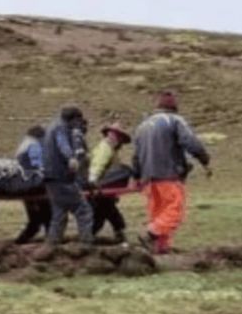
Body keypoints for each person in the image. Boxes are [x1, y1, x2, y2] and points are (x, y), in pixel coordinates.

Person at [132, 90, 212, 254]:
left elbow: (136, 155)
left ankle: (160, 248)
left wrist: (137, 176)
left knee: (158, 212)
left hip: (148, 177)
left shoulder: (142, 126)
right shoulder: (174, 120)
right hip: (168, 173)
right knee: (174, 210)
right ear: (174, 108)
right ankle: (149, 233)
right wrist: (204, 159)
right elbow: (190, 142)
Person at [43, 106, 93, 245]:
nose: (78, 125)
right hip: (61, 177)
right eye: (78, 121)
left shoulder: (51, 126)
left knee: (59, 214)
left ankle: (50, 247)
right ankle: (86, 246)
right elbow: (62, 144)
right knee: (84, 210)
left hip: (50, 178)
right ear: (74, 119)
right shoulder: (60, 128)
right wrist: (71, 158)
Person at [88, 122, 132, 243]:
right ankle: (86, 239)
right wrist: (93, 179)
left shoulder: (111, 150)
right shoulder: (105, 148)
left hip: (105, 188)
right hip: (100, 187)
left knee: (109, 211)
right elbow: (98, 165)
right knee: (101, 215)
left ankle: (119, 233)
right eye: (118, 137)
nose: (119, 141)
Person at [14, 125, 51, 244]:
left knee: (35, 220)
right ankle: (51, 243)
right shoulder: (34, 145)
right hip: (34, 184)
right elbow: (39, 166)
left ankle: (19, 242)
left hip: (24, 184)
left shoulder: (24, 144)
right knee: (47, 216)